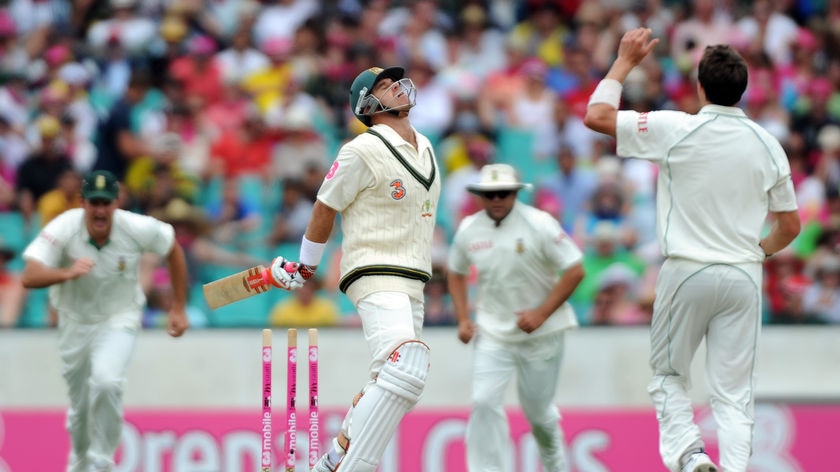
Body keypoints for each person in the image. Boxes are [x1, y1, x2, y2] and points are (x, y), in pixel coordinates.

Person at [584, 29, 801, 472]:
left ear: (700, 86)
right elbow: (790, 225)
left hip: (687, 270)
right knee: (735, 393)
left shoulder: (675, 127)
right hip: (743, 274)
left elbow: (597, 115)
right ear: (742, 91)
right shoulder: (768, 145)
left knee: (668, 376)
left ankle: (690, 455)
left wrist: (625, 62)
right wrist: (756, 252)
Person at [264, 65, 441, 472]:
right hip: (375, 272)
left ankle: (335, 456)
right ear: (368, 104)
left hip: (414, 280)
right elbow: (325, 206)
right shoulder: (360, 149)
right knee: (406, 365)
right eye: (384, 86)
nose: (397, 87)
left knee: (398, 384)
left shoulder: (427, 146)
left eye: (396, 82)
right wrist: (306, 267)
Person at [20, 170, 190, 471]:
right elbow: (30, 276)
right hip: (74, 321)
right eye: (94, 202)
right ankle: (80, 460)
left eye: (106, 203)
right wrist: (66, 273)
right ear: (83, 202)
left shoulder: (135, 226)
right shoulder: (64, 227)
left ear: (117, 203)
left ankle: (102, 461)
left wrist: (178, 307)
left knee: (107, 381)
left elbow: (172, 248)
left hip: (118, 317)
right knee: (79, 408)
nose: (100, 210)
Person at [446, 163, 584, 472]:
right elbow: (454, 272)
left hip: (542, 334)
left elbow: (575, 269)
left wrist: (541, 314)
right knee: (483, 401)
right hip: (492, 331)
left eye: (504, 193)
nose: (497, 200)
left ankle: (556, 466)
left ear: (515, 194)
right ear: (480, 196)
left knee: (538, 414)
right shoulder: (469, 227)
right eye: (490, 194)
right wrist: (462, 318)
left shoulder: (540, 223)